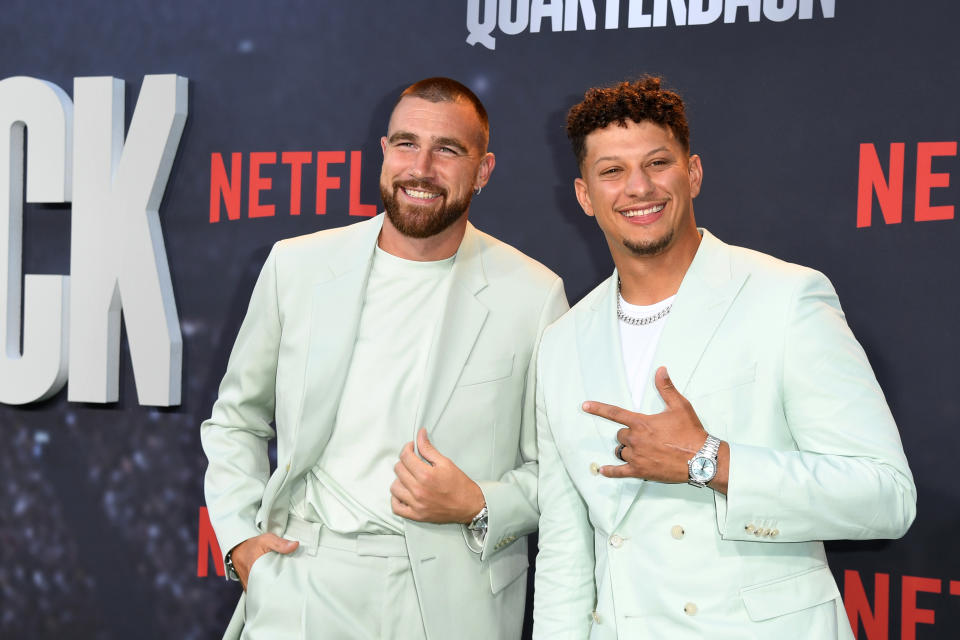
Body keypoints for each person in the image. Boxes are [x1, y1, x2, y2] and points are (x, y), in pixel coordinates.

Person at [532, 77, 916, 639]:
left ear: (692, 173)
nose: (637, 187)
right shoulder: (563, 340)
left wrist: (710, 460)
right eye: (612, 171)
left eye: (657, 163)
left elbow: (886, 496)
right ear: (585, 195)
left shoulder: (785, 297)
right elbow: (565, 549)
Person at [202, 76, 568, 640]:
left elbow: (559, 472)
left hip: (451, 599)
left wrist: (477, 501)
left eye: (447, 150)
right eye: (405, 143)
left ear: (484, 169)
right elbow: (236, 419)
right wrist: (239, 542)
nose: (421, 167)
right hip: (303, 580)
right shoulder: (297, 267)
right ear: (383, 152)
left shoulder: (533, 294)